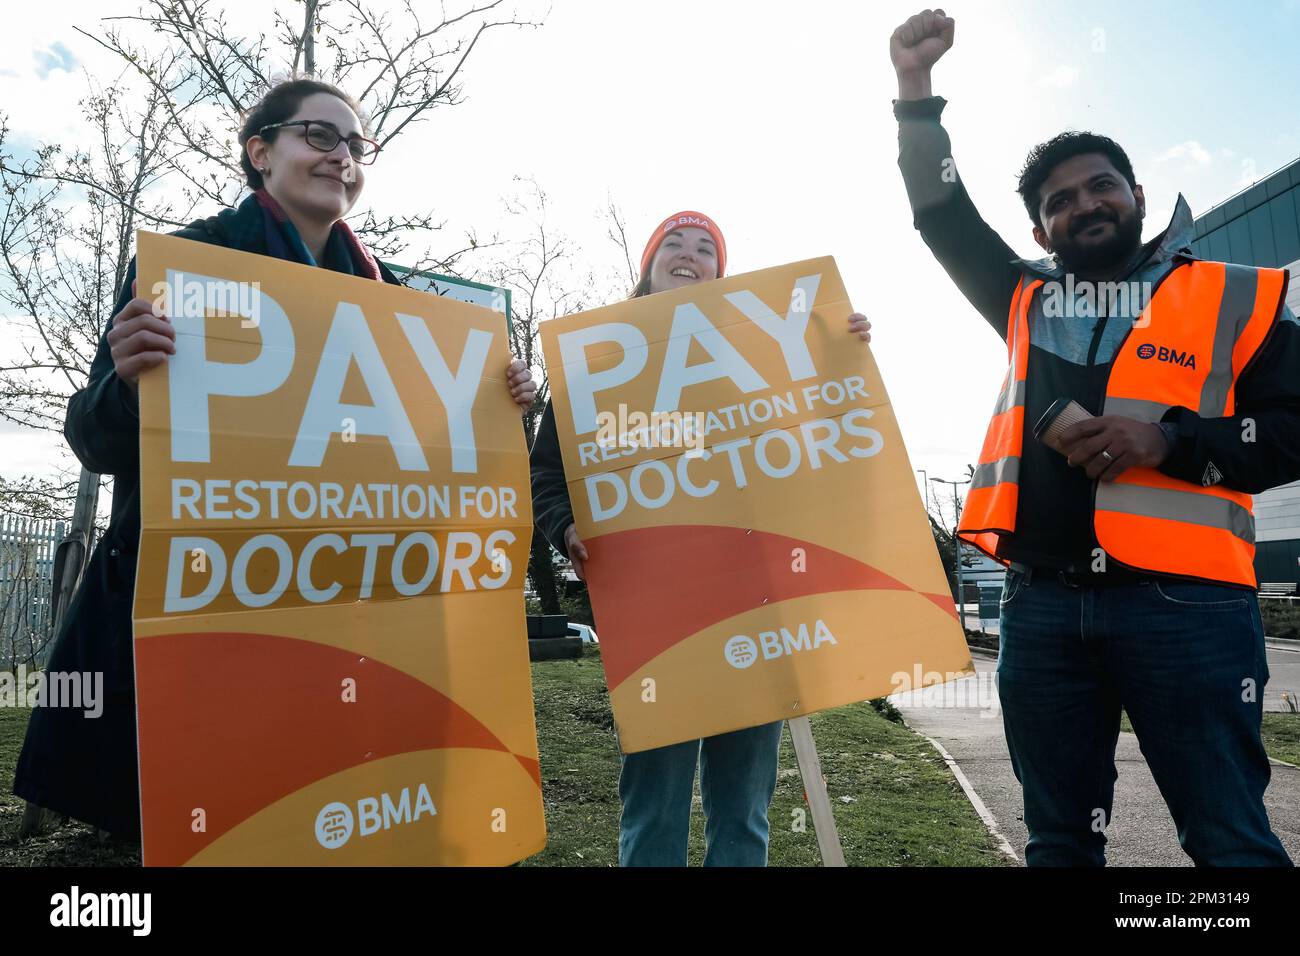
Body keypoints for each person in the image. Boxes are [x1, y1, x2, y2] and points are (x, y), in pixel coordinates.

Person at [13, 77, 537, 839]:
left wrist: (500, 401)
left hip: (349, 616)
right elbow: (91, 437)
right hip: (213, 610)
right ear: (261, 151)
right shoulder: (189, 263)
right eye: (319, 137)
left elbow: (441, 465)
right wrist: (125, 384)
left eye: (357, 145)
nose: (343, 157)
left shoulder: (400, 304)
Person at [889, 9, 1298, 865]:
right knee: (1060, 844)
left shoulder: (1238, 294)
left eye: (1101, 185)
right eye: (1059, 202)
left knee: (1230, 839)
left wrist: (1173, 443)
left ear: (1138, 196)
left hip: (1189, 609)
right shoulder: (1020, 297)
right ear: (1041, 234)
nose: (1085, 205)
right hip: (1041, 609)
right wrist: (916, 95)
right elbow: (941, 213)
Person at [529, 211, 873, 866]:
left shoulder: (761, 352)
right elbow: (548, 469)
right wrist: (566, 524)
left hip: (757, 608)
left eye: (705, 248)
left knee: (742, 806)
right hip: (656, 620)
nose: (689, 254)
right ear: (649, 263)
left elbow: (821, 432)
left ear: (720, 272)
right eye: (674, 243)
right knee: (654, 802)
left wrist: (839, 347)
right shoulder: (596, 358)